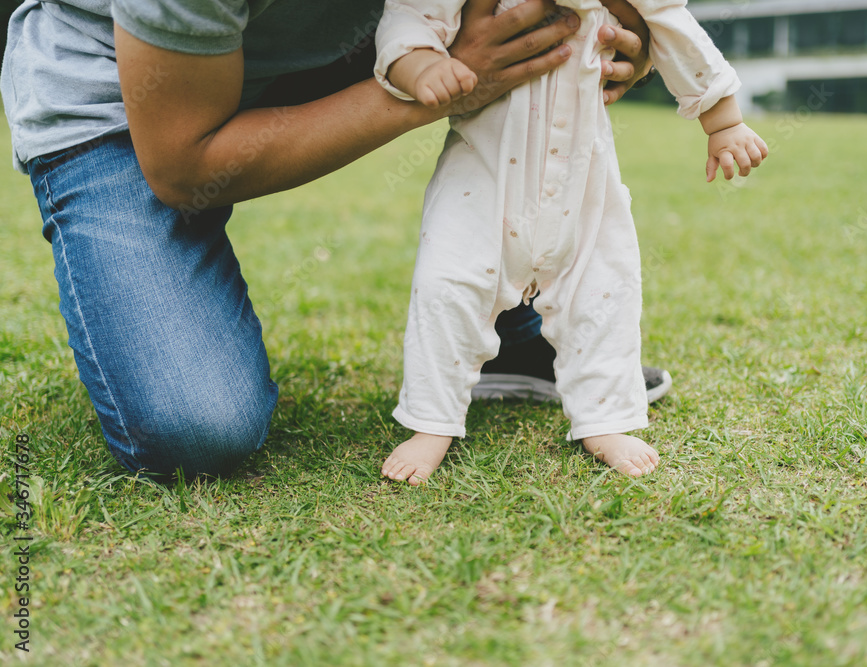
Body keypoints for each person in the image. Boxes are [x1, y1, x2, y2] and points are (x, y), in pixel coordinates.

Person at [1, 0, 666, 479]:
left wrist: (610, 35)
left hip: (346, 41)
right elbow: (184, 166)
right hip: (124, 96)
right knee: (197, 428)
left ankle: (506, 329)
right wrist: (438, 86)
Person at [375, 0, 768, 485]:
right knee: (447, 287)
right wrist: (421, 66)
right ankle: (431, 422)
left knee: (604, 292)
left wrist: (723, 119)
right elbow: (411, 16)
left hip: (584, 180)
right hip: (481, 177)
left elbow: (672, 25)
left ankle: (605, 420)